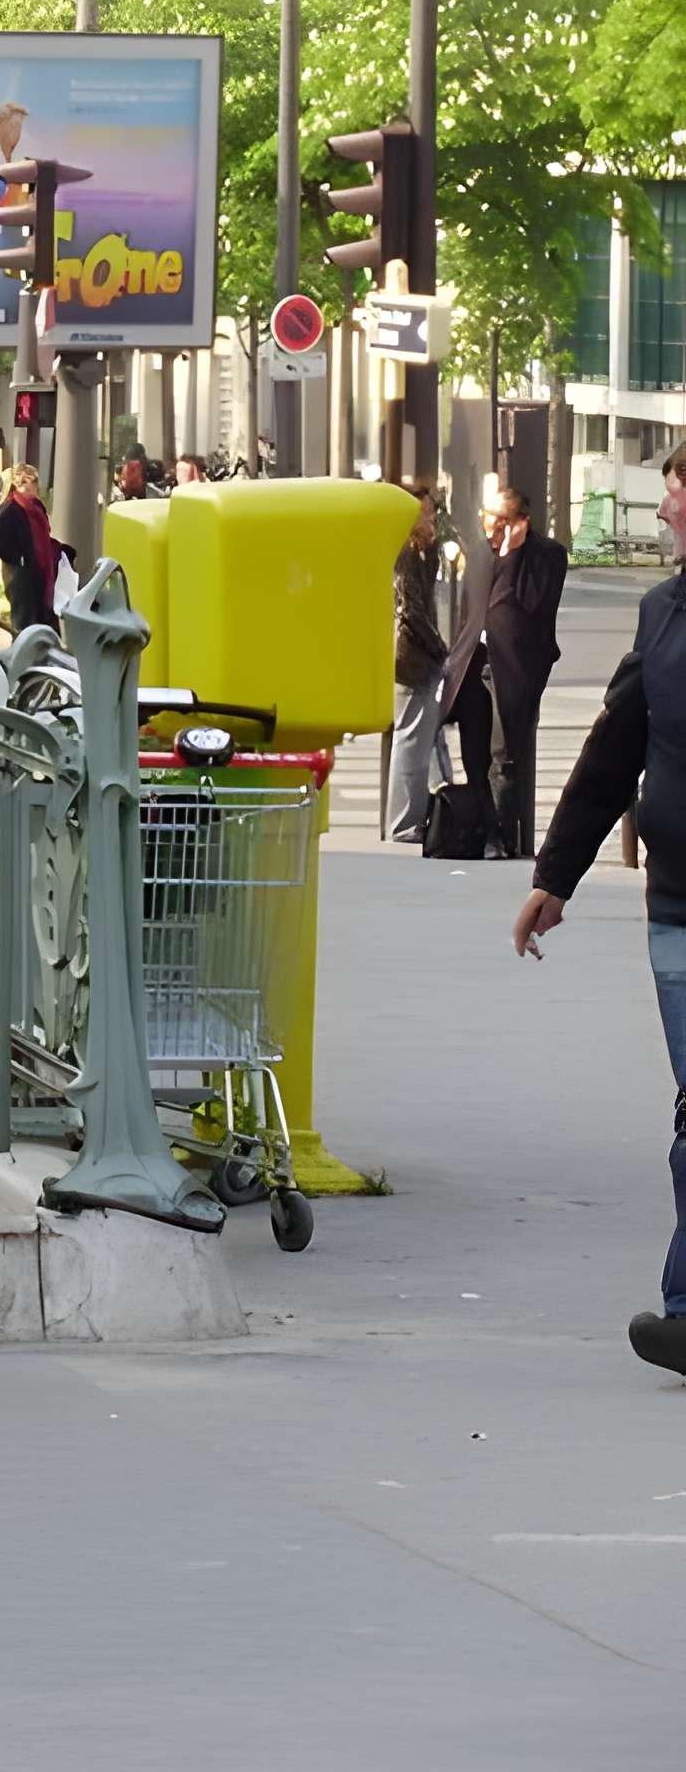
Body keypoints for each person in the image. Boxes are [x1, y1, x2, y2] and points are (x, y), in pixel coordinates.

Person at [510, 439, 686, 1379]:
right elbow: (616, 749)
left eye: (673, 498)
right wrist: (557, 875)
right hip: (680, 911)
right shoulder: (661, 617)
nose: (661, 515)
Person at [442, 481, 566, 859]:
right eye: (485, 517)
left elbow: (526, 607)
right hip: (472, 665)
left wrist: (512, 555)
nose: (488, 526)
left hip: (511, 667)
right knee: (473, 752)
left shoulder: (547, 557)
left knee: (503, 753)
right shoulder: (478, 554)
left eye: (496, 519)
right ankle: (485, 828)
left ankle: (501, 836)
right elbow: (470, 613)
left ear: (520, 522)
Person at [387, 484, 447, 844]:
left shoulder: (425, 552)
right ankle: (404, 822)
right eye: (426, 511)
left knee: (420, 740)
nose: (431, 517)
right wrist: (439, 647)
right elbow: (411, 608)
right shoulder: (407, 553)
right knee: (410, 740)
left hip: (419, 656)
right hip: (412, 658)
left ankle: (414, 816)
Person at [0, 460, 70, 633]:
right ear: (16, 484)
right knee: (24, 628)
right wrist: (20, 558)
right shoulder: (10, 508)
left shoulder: (36, 507)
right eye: (24, 482)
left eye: (32, 482)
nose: (30, 487)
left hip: (41, 575)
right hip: (21, 579)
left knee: (45, 627)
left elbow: (42, 538)